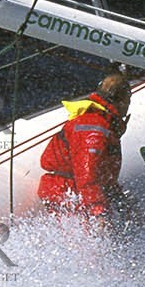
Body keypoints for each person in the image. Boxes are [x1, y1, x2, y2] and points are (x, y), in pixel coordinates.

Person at [37, 70, 132, 227]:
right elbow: (87, 173)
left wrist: (121, 201)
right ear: (121, 101)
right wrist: (99, 212)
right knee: (91, 245)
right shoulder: (95, 127)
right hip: (66, 191)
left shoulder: (104, 122)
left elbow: (101, 173)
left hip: (76, 189)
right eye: (128, 101)